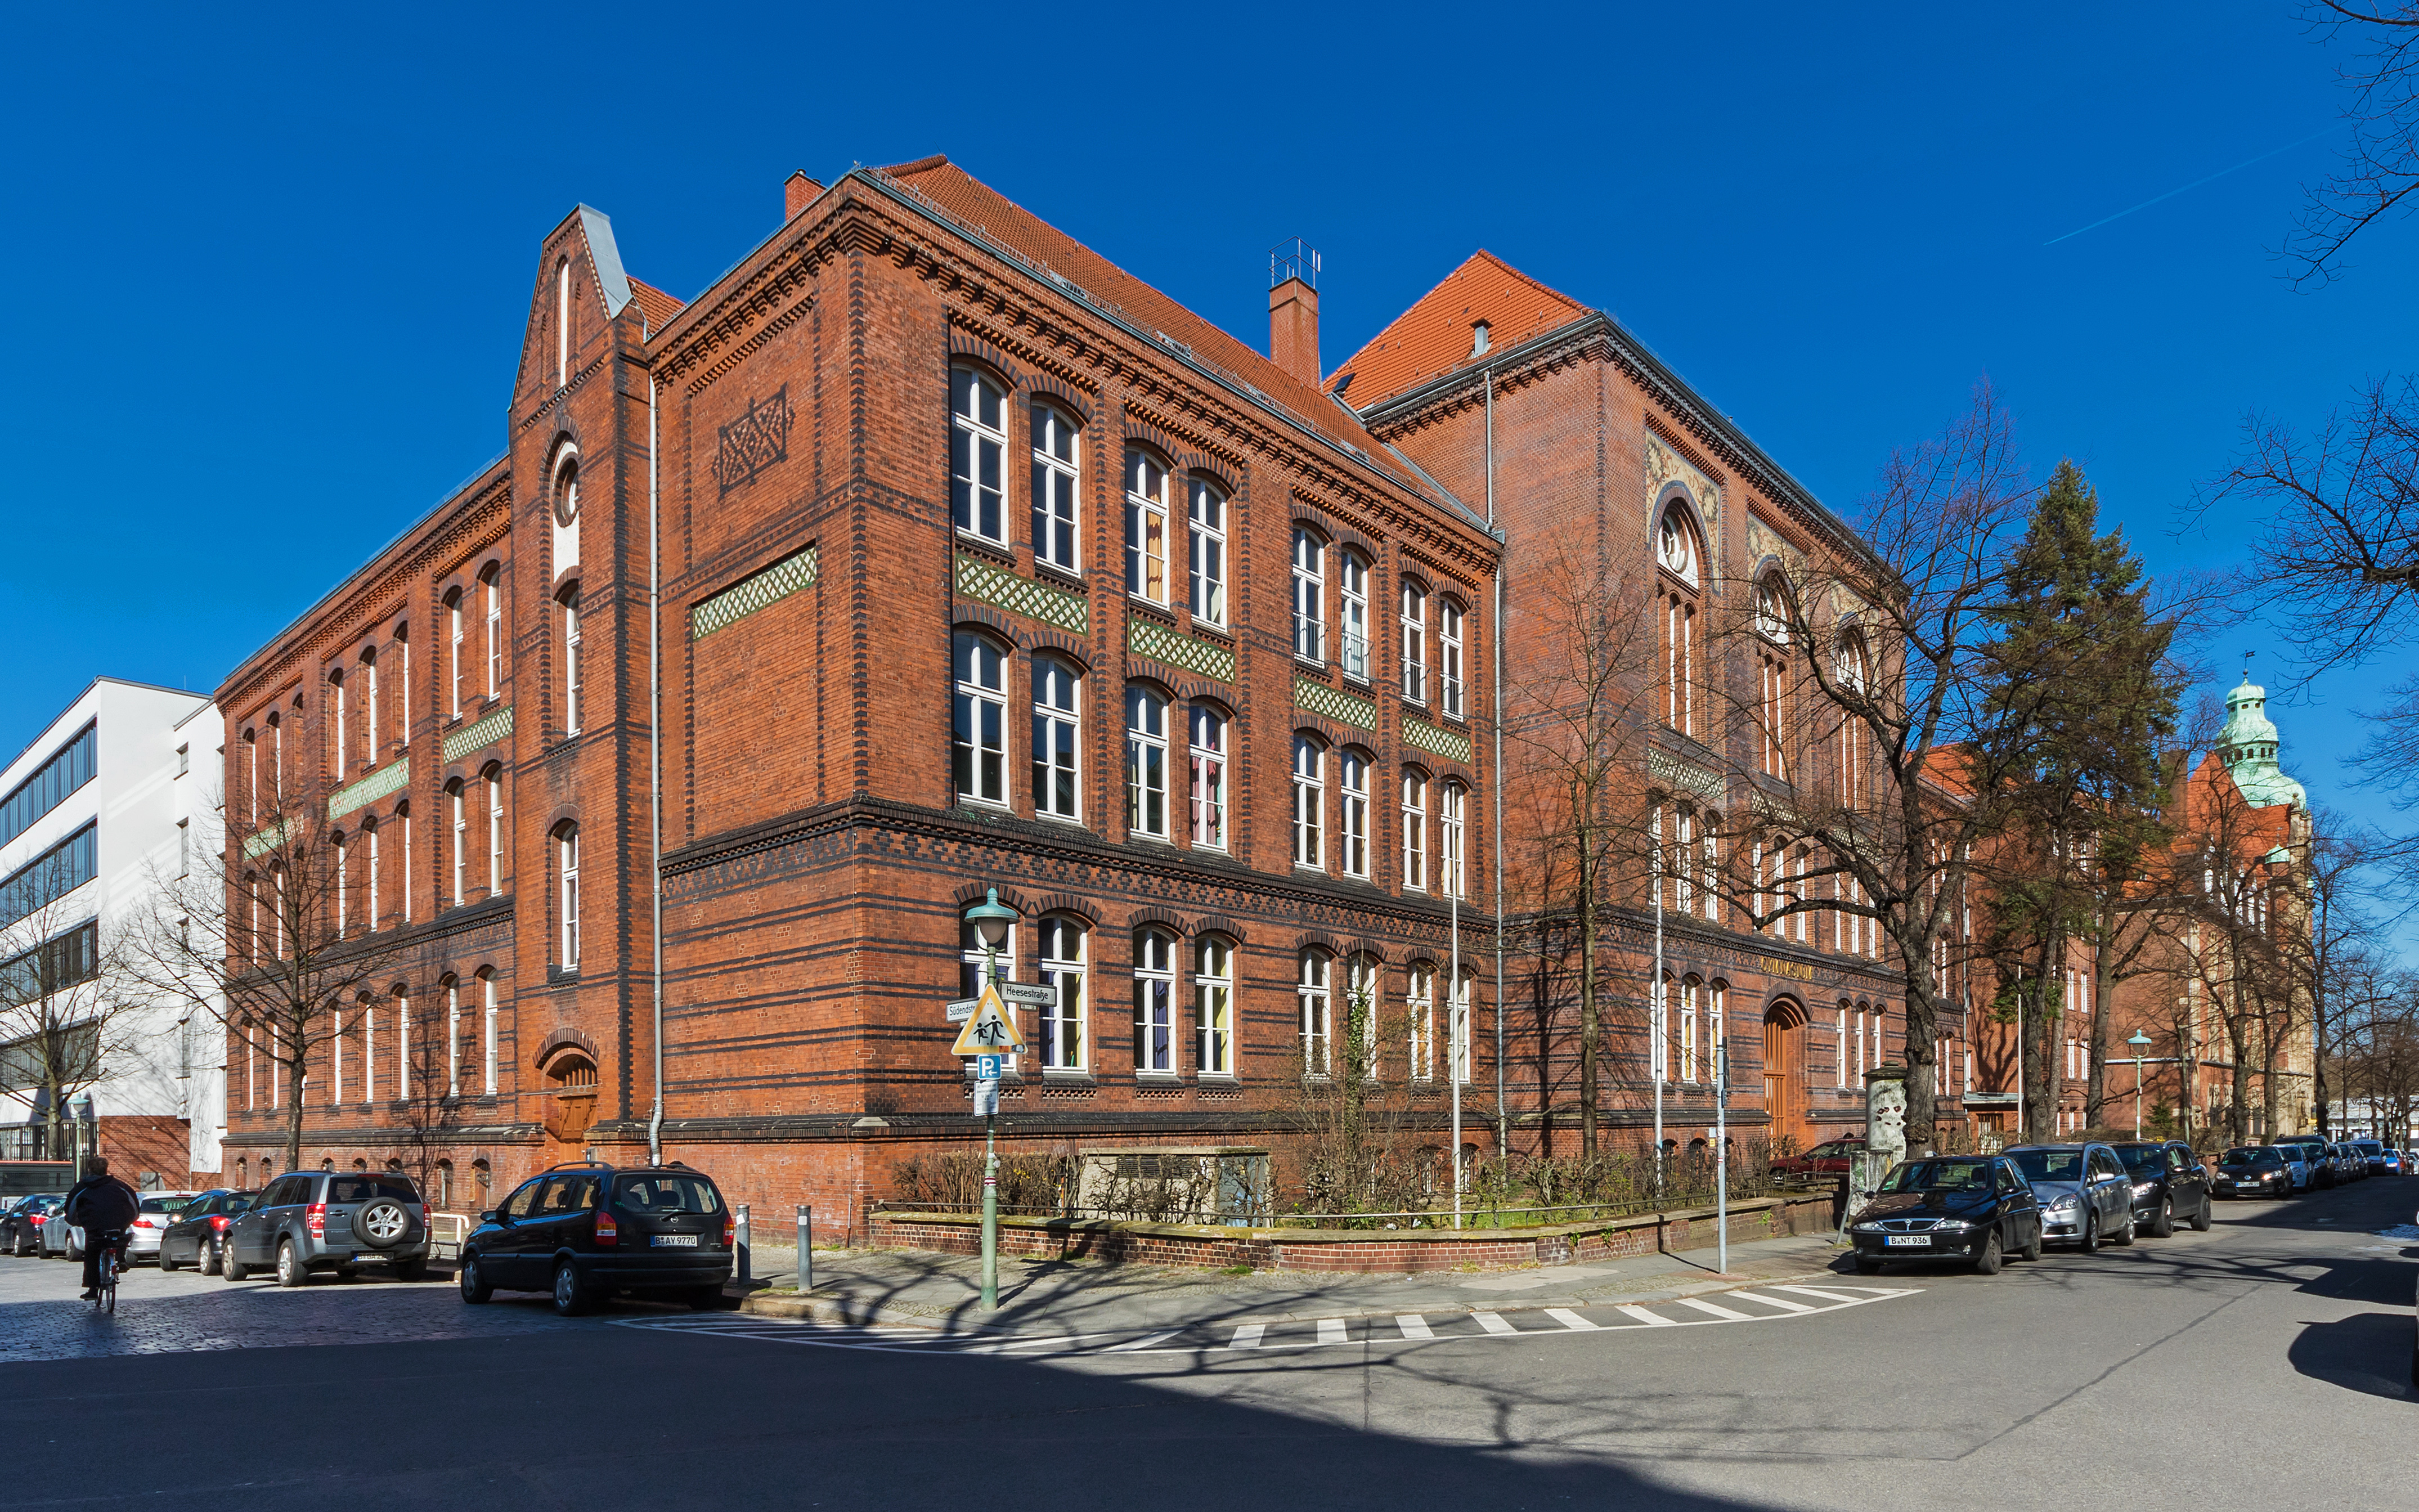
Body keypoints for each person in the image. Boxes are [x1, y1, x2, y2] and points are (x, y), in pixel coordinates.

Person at [63, 1156, 139, 1302]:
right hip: (118, 1224)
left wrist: (76, 1222)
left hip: (94, 1227)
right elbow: (134, 1206)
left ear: (90, 1170)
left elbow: (71, 1208)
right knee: (119, 1235)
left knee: (92, 1255)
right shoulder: (121, 1186)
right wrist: (129, 1221)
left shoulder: (82, 1187)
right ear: (106, 1169)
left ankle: (93, 1289)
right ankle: (121, 1259)